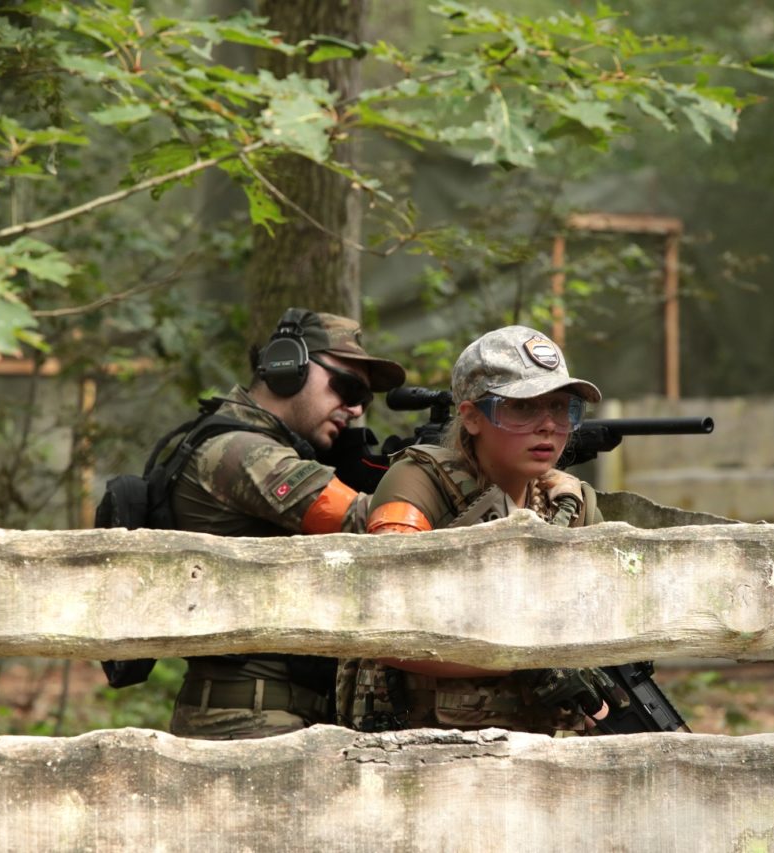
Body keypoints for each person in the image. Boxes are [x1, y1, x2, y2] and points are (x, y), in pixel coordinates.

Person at [344, 325, 614, 735]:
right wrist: (528, 656)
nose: (548, 425)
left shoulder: (569, 503)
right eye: (523, 408)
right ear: (471, 417)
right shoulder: (419, 483)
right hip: (428, 746)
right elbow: (382, 621)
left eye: (561, 408)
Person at [164, 307, 405, 739]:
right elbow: (366, 520)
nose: (353, 408)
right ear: (286, 366)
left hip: (277, 714)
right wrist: (441, 473)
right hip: (246, 721)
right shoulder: (239, 451)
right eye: (346, 387)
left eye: (363, 399)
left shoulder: (263, 448)